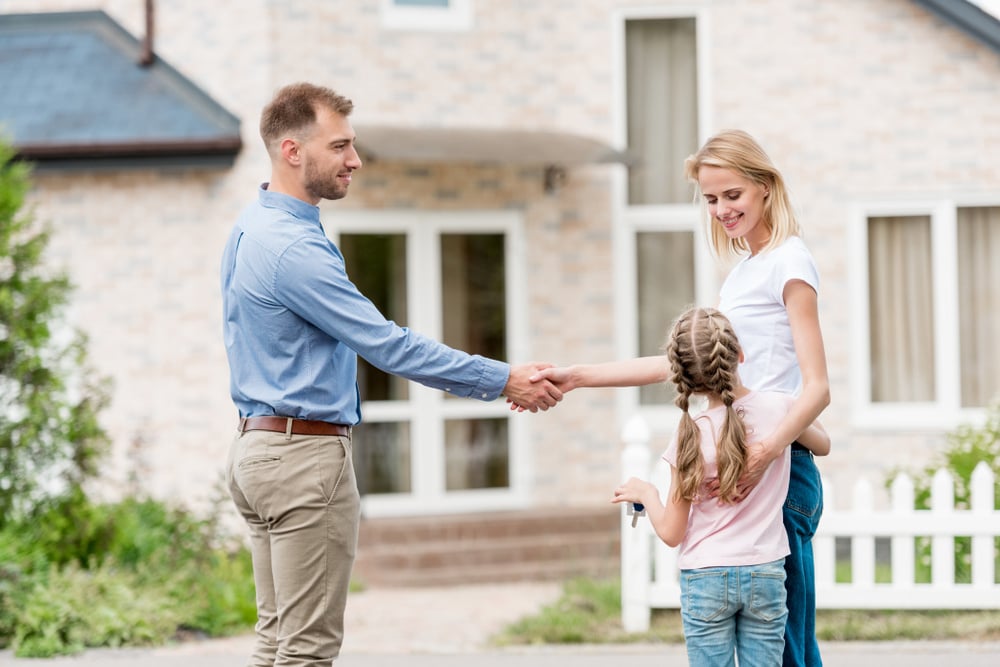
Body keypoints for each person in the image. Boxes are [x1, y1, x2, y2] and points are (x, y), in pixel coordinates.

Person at [220, 81, 562, 666]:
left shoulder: (253, 226)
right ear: (291, 150)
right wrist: (503, 379)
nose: (354, 159)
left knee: (277, 643)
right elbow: (388, 346)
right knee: (306, 652)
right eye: (341, 146)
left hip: (259, 449)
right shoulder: (292, 249)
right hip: (302, 460)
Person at [532, 129, 831, 665]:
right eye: (711, 199)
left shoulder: (790, 262)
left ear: (765, 187)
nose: (721, 209)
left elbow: (816, 389)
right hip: (749, 456)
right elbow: (682, 364)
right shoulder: (742, 275)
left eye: (732, 195)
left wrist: (764, 456)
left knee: (790, 649)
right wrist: (579, 376)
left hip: (779, 468)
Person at [612, 306, 830, 666]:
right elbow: (823, 445)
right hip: (765, 572)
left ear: (682, 376)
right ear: (740, 354)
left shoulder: (688, 437)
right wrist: (778, 438)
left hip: (706, 577)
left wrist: (646, 493)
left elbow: (671, 532)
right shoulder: (780, 409)